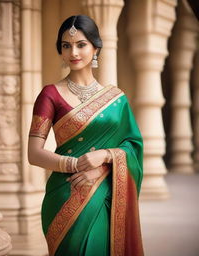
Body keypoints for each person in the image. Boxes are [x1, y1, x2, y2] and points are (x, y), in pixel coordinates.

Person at [28, 15, 144, 256]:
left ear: (95, 48)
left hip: (104, 194)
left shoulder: (116, 99)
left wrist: (104, 158)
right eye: (66, 45)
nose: (74, 52)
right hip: (65, 192)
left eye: (81, 44)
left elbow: (133, 145)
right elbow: (34, 154)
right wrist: (76, 165)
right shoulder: (49, 95)